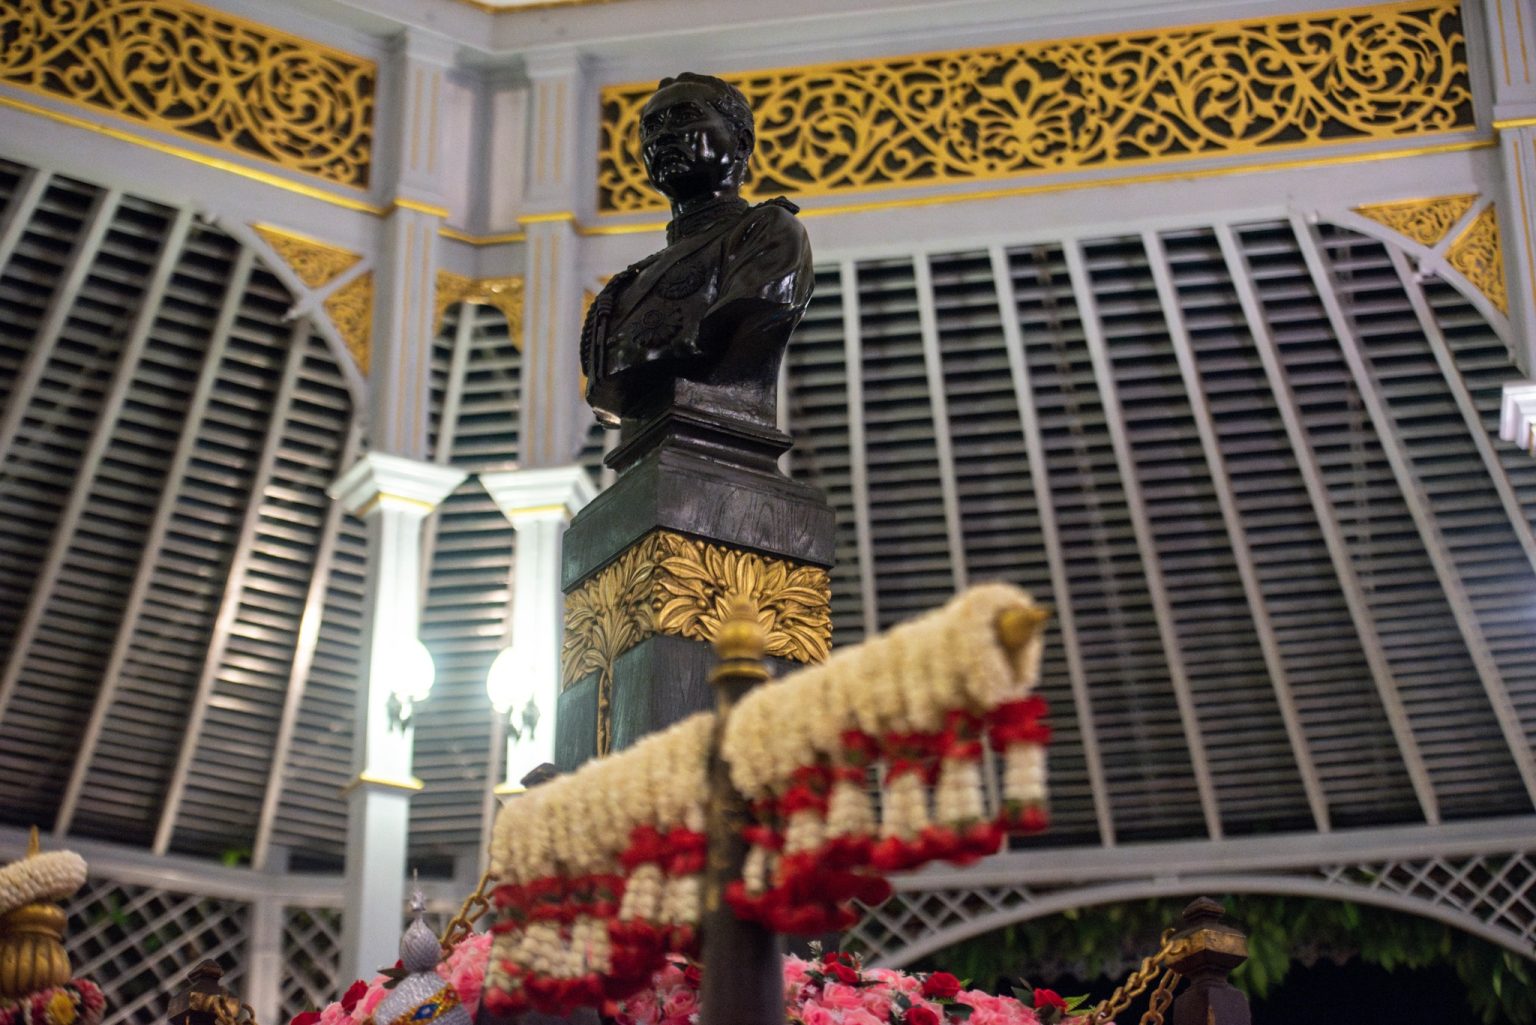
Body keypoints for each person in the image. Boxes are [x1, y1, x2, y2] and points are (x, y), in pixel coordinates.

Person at [580, 72, 813, 434]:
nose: (662, 136)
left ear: (741, 142)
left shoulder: (766, 232)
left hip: (718, 434)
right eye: (651, 127)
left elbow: (745, 327)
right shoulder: (626, 285)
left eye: (685, 117)